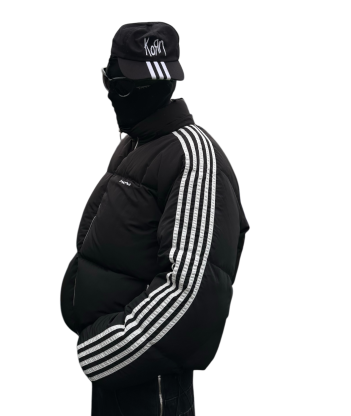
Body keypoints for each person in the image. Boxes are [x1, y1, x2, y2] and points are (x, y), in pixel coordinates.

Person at [60, 21, 250, 415]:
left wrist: (102, 352)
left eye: (124, 84)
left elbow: (193, 293)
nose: (115, 92)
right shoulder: (136, 142)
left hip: (148, 384)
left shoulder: (193, 157)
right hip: (117, 379)